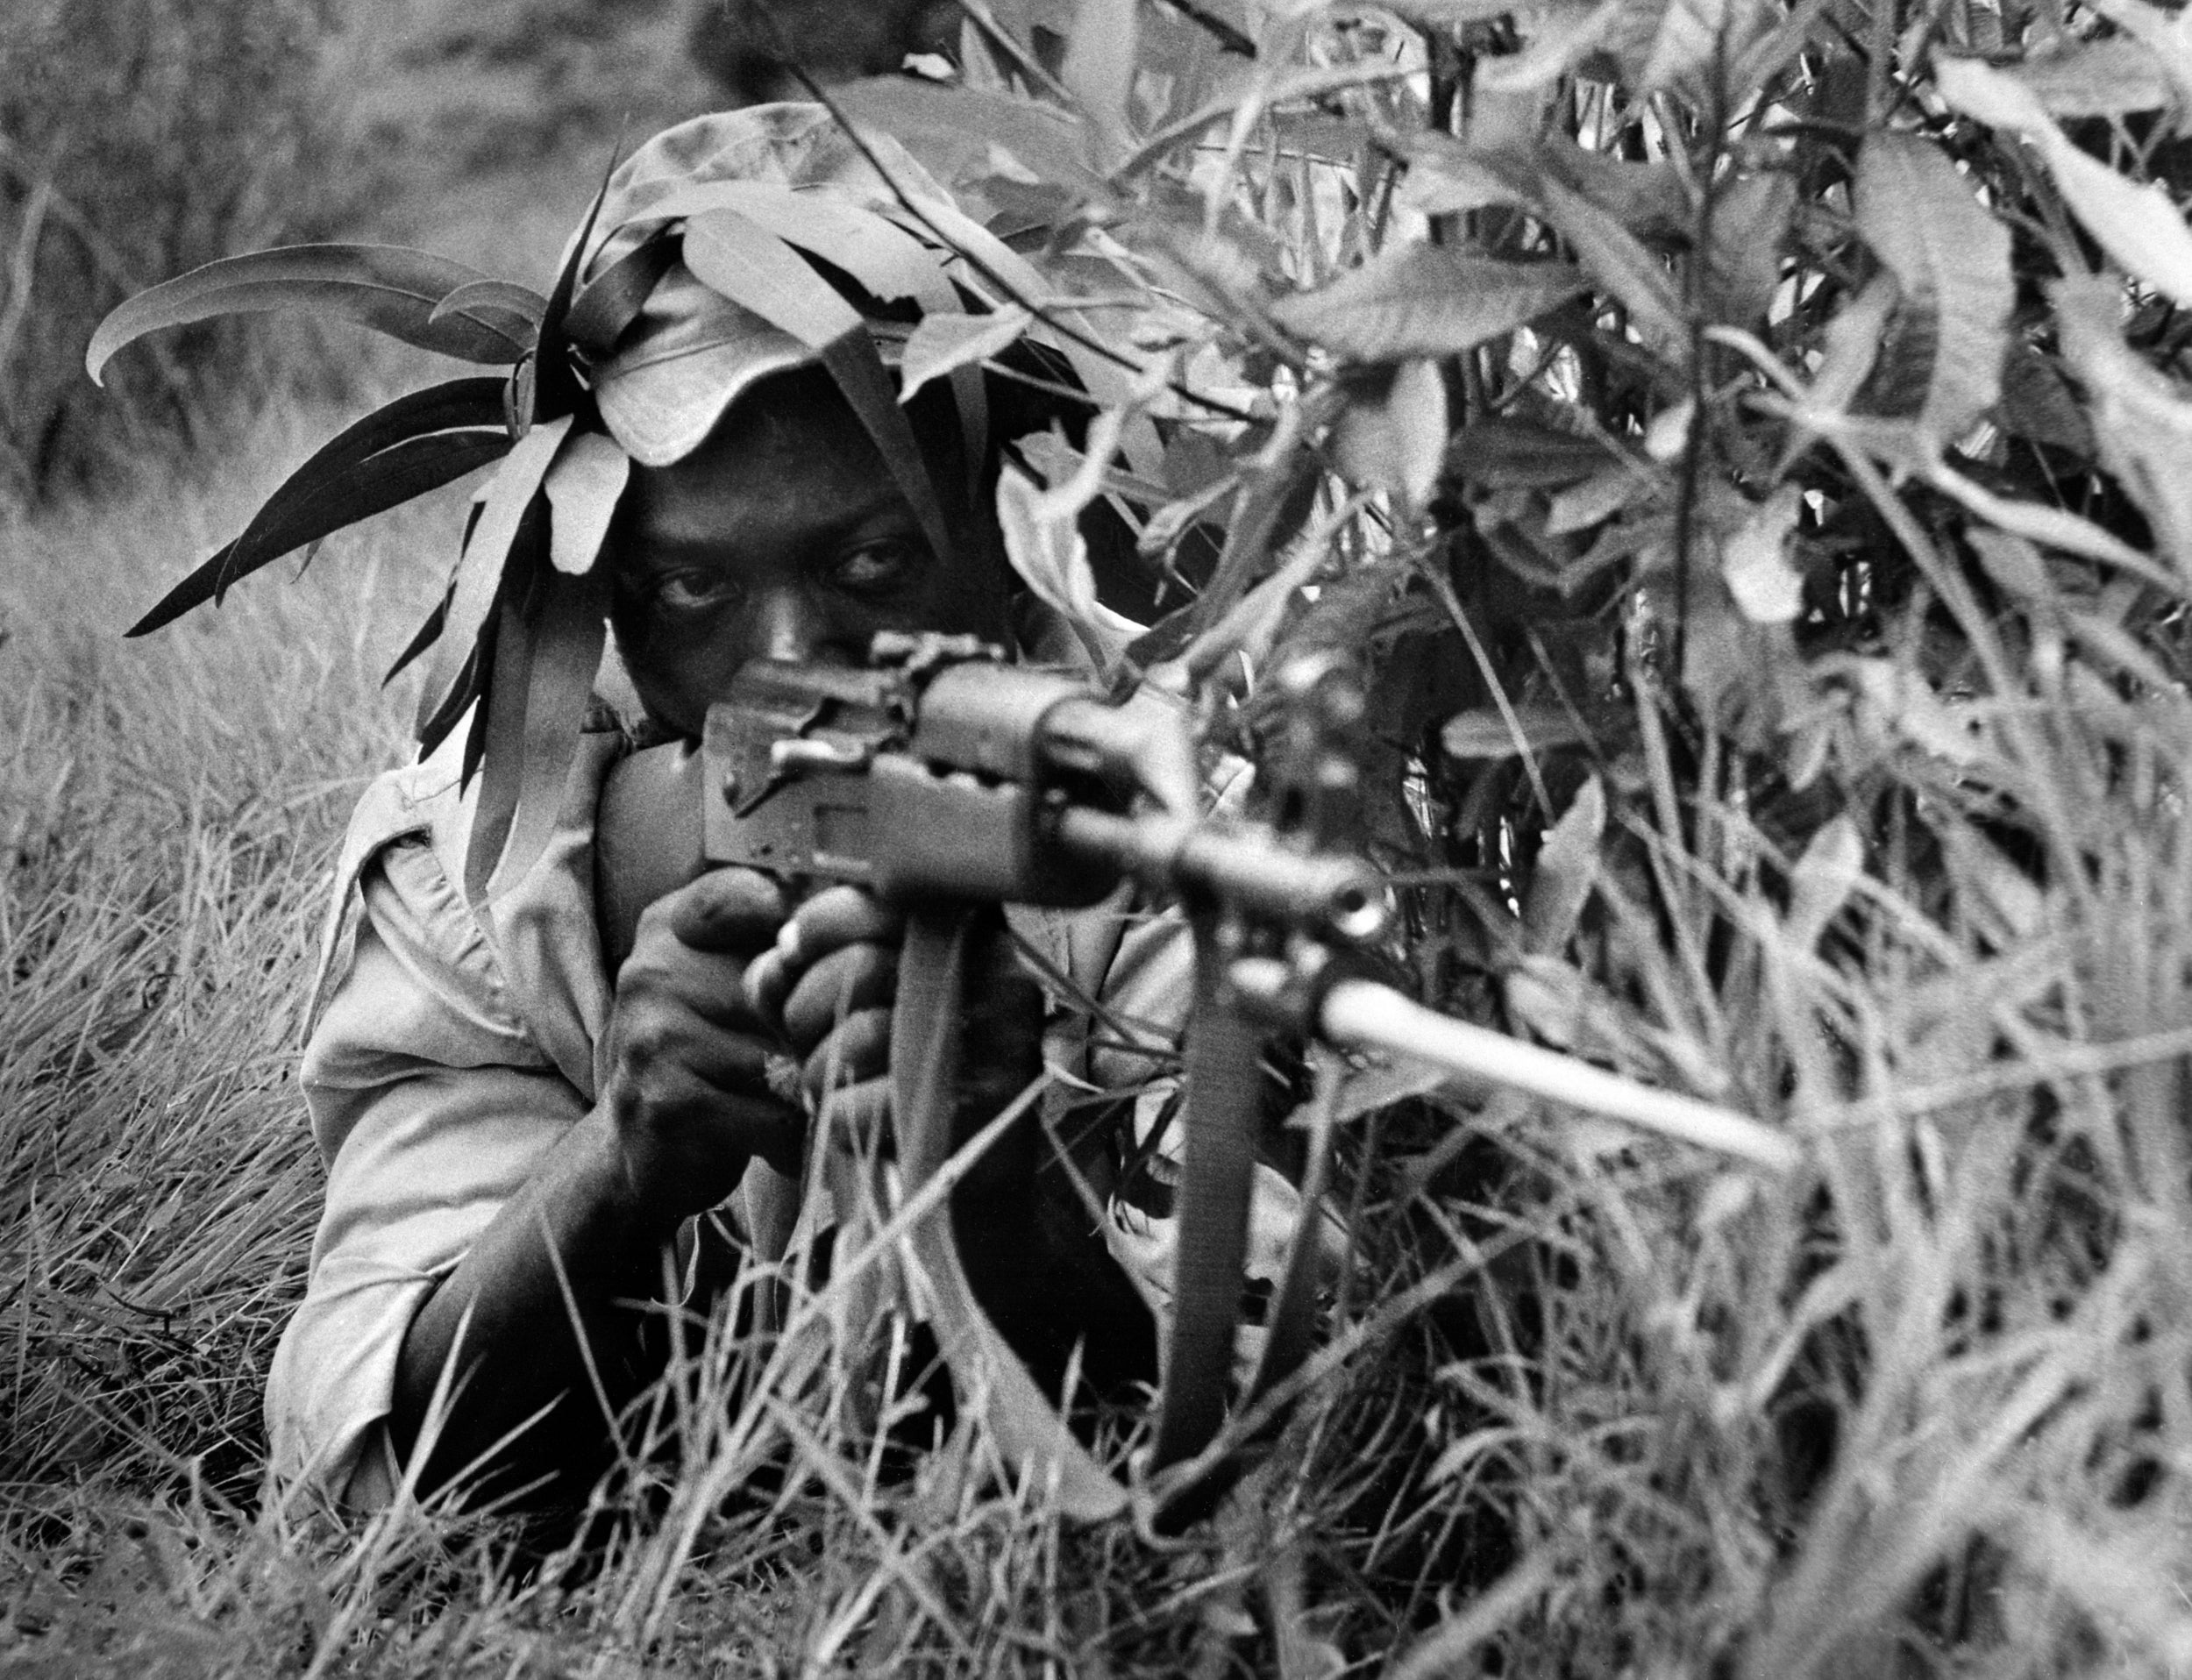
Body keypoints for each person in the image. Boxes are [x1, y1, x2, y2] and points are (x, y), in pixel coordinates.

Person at [243, 105, 1317, 1517]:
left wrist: (996, 1178)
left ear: (1010, 533)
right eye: (695, 591)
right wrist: (620, 1163)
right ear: (600, 600)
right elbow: (356, 1463)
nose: (792, 662)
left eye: (877, 559)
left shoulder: (1170, 822)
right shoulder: (496, 865)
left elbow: (1274, 1442)